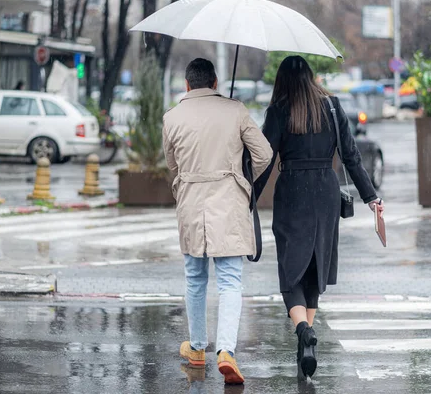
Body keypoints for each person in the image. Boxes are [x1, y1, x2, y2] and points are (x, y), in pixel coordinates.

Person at [254, 56, 385, 381]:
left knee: (290, 270)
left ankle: (303, 329)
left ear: (282, 80)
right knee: (314, 266)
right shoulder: (332, 106)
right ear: (311, 77)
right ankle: (306, 343)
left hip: (293, 191)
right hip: (326, 190)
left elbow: (265, 158)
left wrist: (248, 199)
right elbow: (351, 155)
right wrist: (371, 197)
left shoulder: (279, 110)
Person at [163, 58, 272, 385]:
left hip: (191, 202)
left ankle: (197, 348)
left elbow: (172, 163)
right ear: (214, 83)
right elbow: (264, 154)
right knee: (229, 280)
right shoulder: (235, 110)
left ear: (186, 84)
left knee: (195, 276)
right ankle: (226, 350)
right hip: (228, 200)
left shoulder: (172, 116)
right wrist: (241, 176)